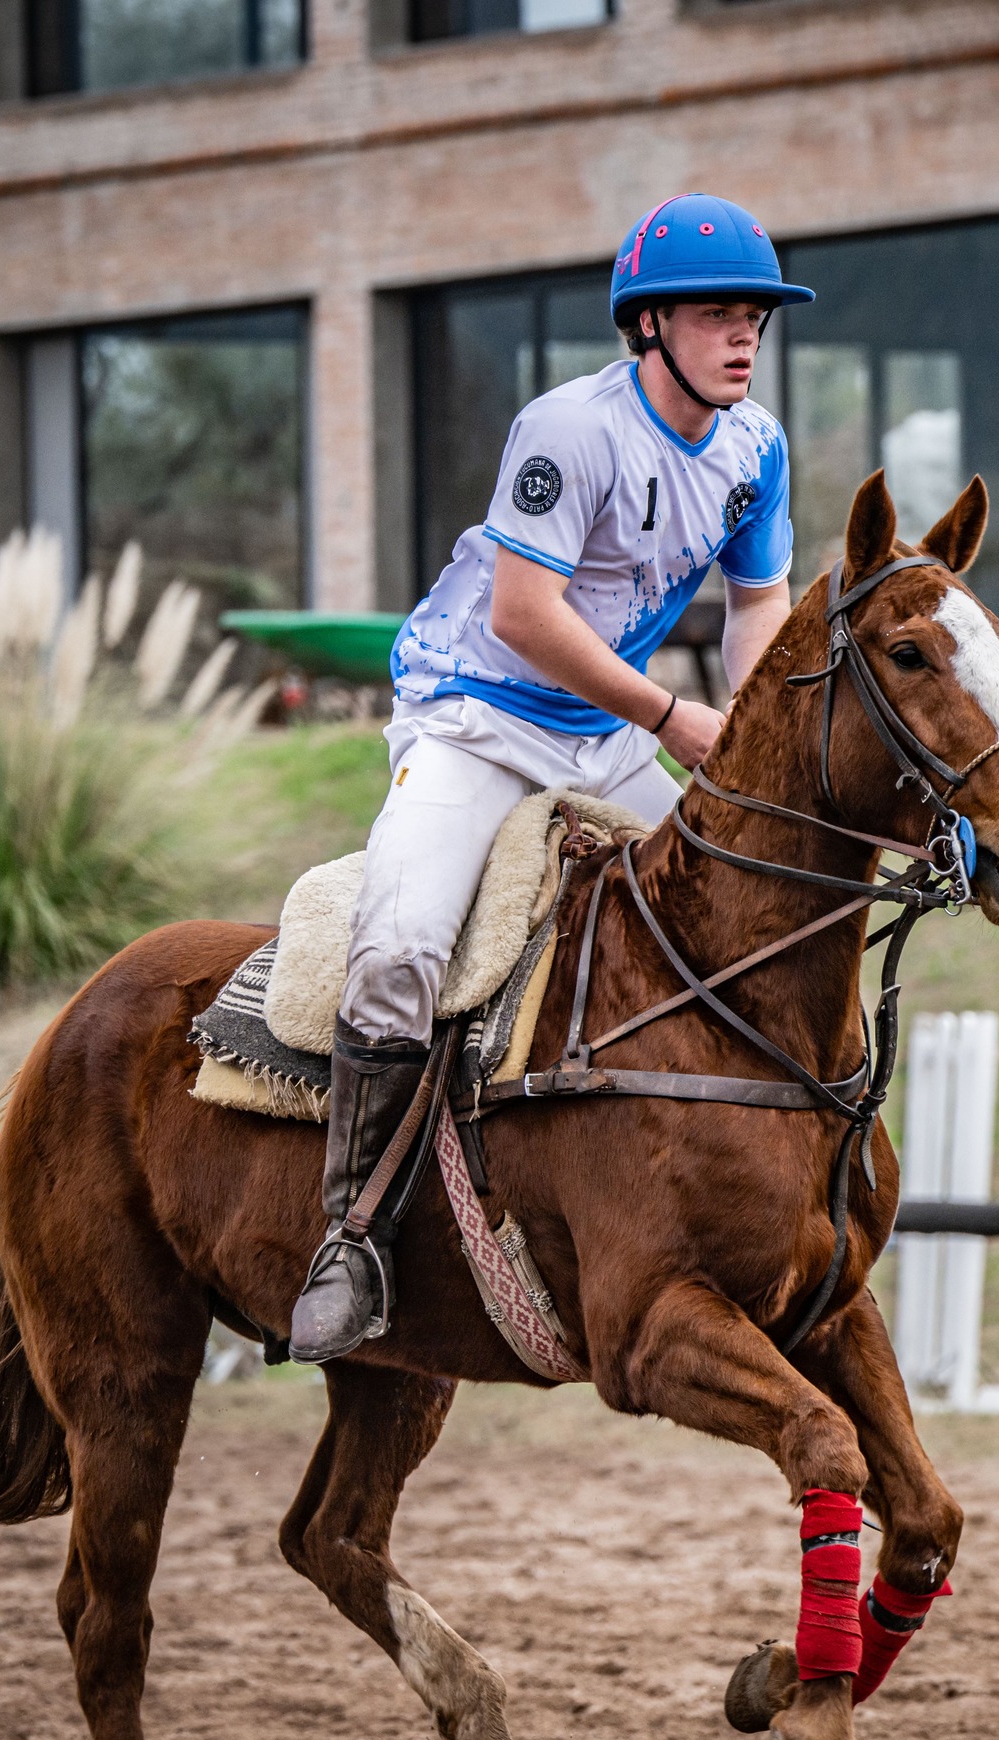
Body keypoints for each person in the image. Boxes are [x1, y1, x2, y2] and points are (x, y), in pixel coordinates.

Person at [288, 193, 816, 1362]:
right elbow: (525, 617)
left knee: (740, 898)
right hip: (474, 715)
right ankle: (352, 1239)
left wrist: (757, 735)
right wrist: (676, 716)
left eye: (756, 319)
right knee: (398, 948)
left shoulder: (755, 448)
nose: (744, 337)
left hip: (603, 728)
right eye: (718, 314)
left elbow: (760, 602)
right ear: (649, 325)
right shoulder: (566, 431)